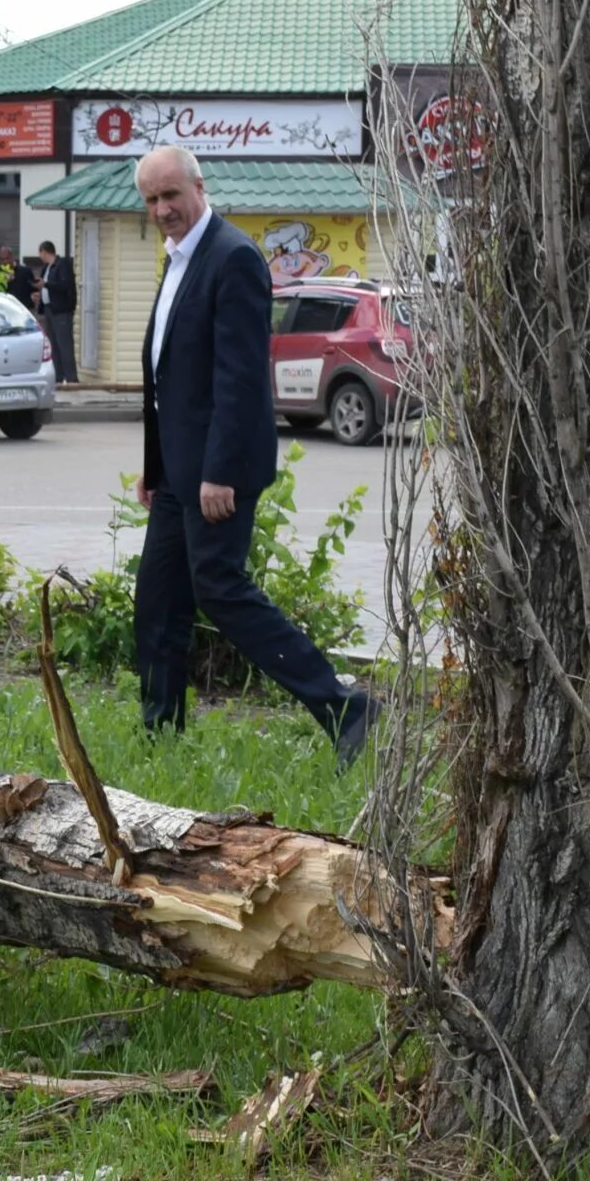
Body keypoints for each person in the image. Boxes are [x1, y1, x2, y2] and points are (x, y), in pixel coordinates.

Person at [131, 145, 374, 762]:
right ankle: (160, 732)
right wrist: (156, 467)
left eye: (171, 196)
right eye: (152, 199)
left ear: (198, 187)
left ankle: (345, 705)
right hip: (179, 472)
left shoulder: (232, 257)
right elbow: (170, 376)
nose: (162, 209)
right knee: (158, 601)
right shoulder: (180, 259)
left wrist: (218, 473)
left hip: (219, 472)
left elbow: (240, 379)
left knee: (220, 589)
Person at [37, 240, 80, 384]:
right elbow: (48, 287)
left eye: (41, 253)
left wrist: (46, 284)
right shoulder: (47, 268)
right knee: (53, 344)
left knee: (64, 344)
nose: (40, 256)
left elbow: (64, 285)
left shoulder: (62, 265)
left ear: (45, 251)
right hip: (50, 309)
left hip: (61, 310)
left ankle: (71, 378)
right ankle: (58, 376)